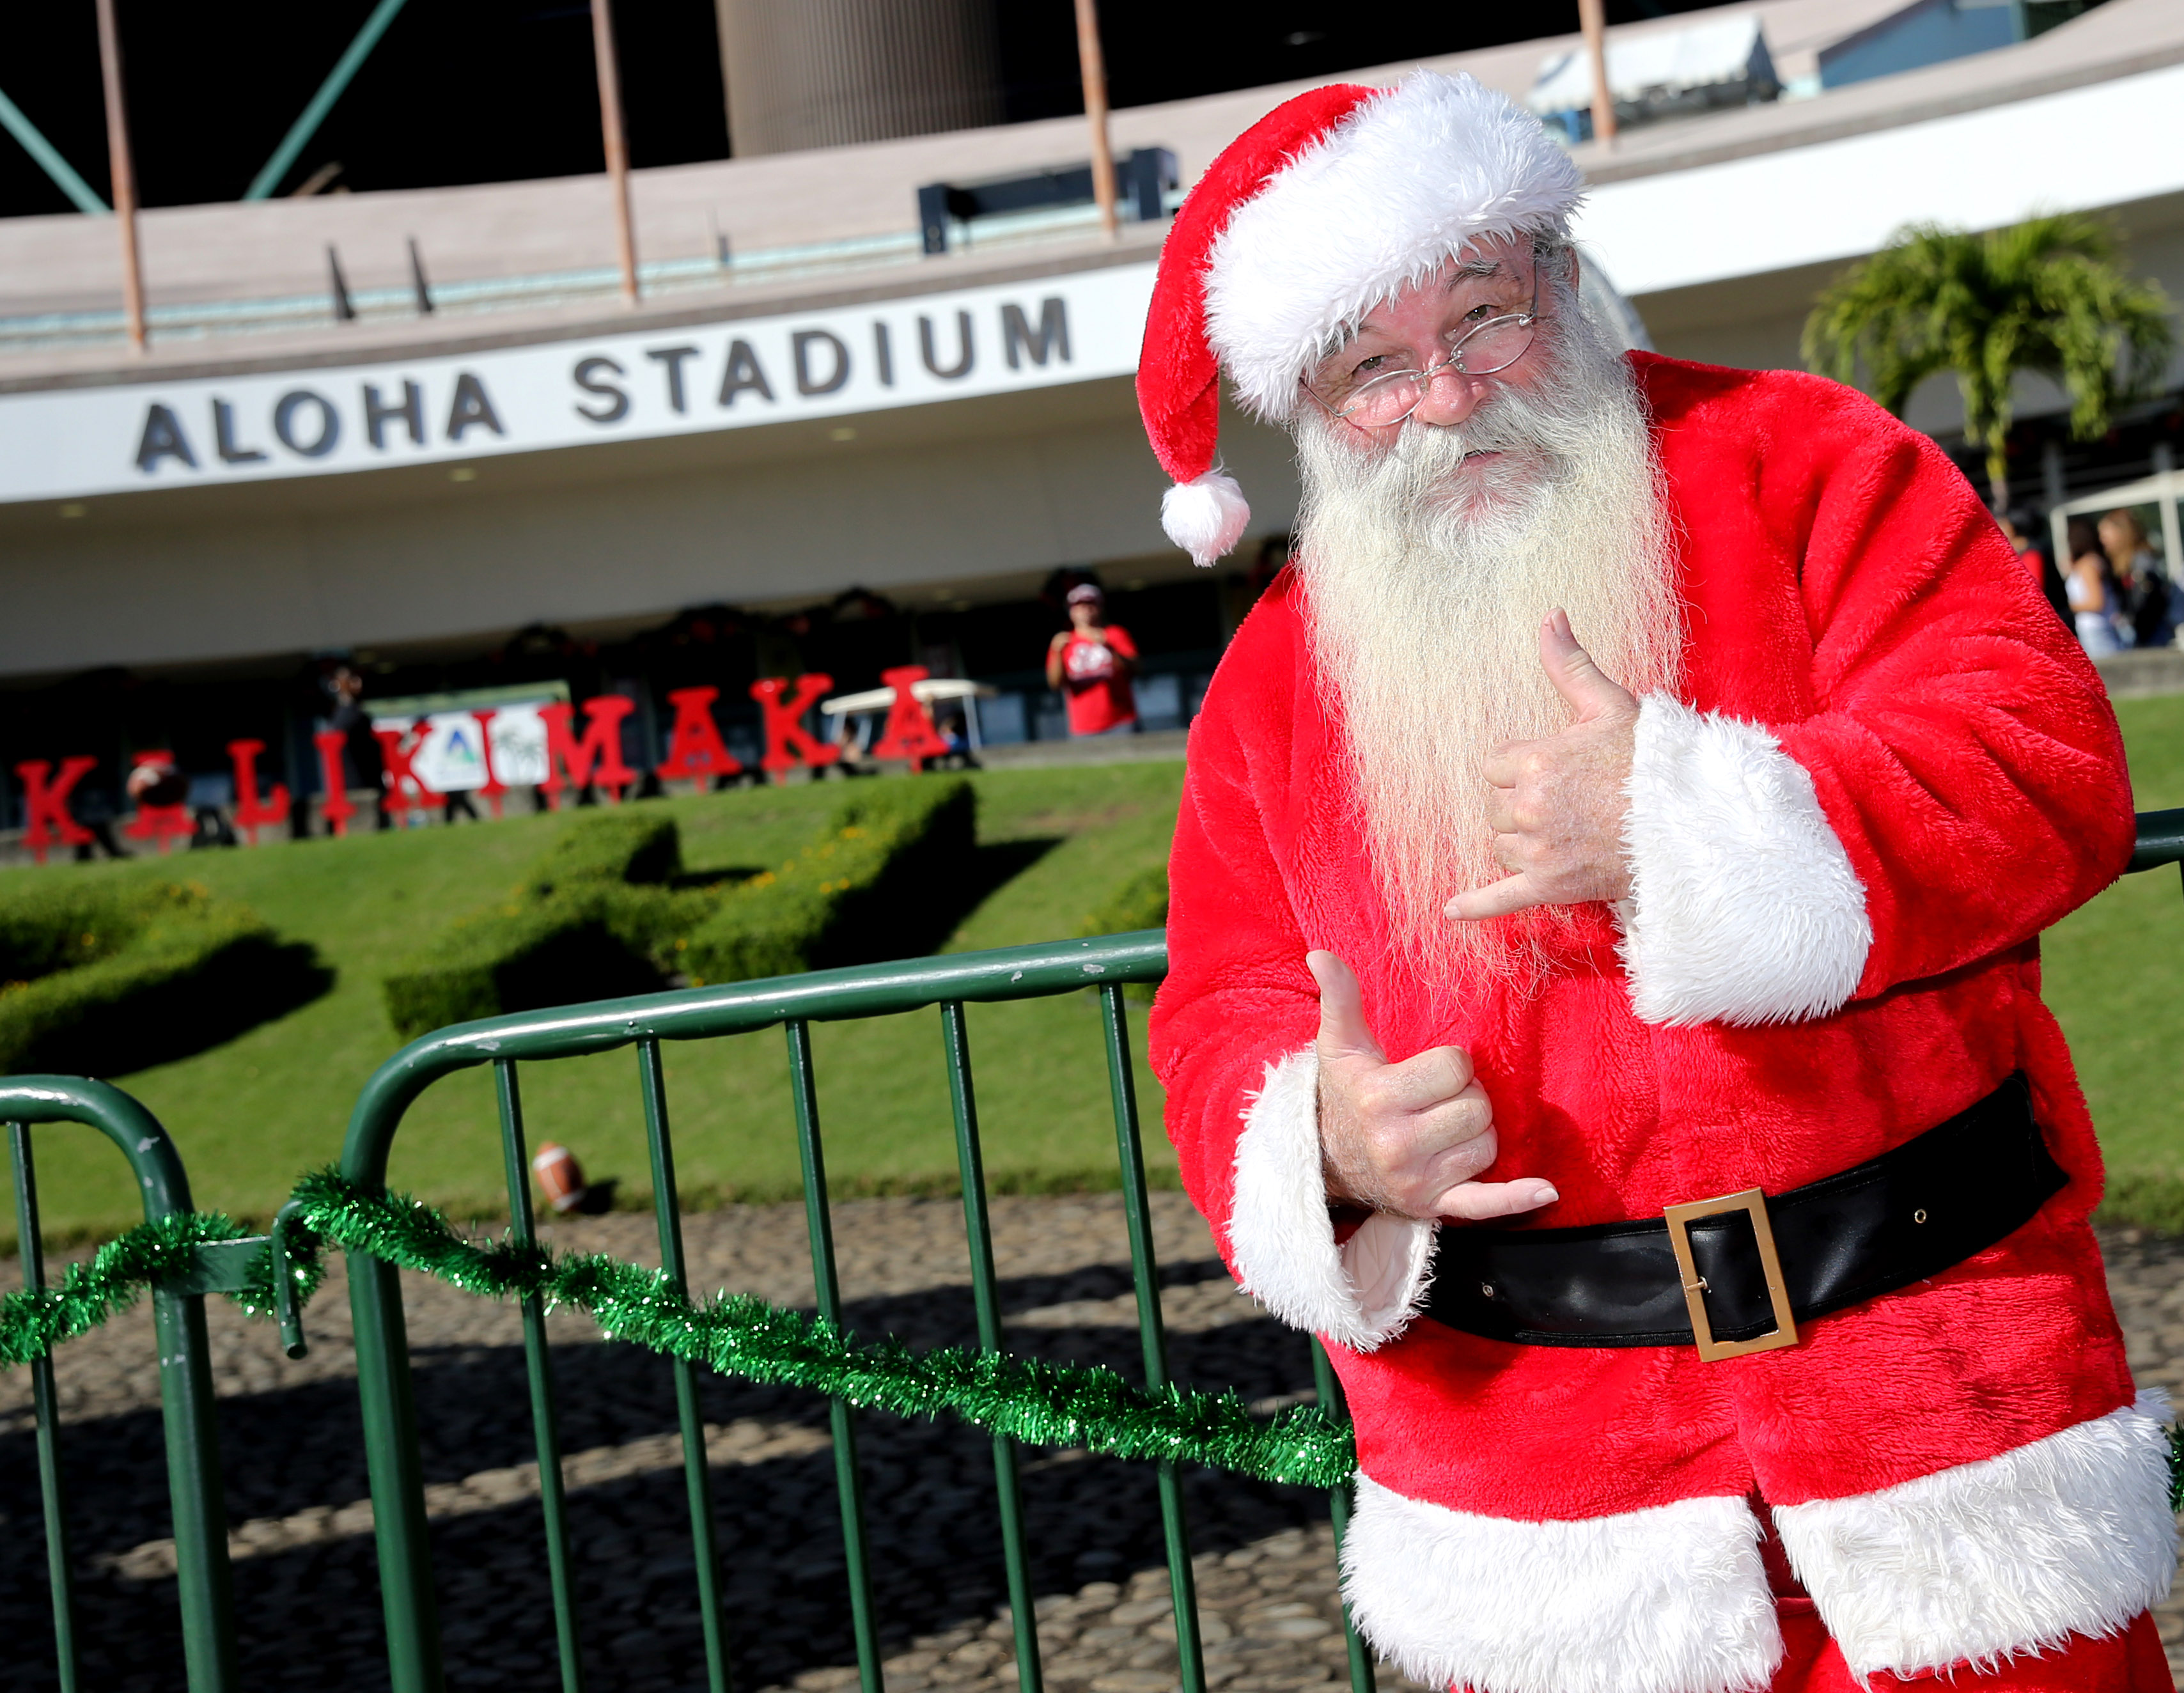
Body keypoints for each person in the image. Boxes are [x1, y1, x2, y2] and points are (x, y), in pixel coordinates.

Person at [1136, 72, 2168, 1693]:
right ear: (1309, 418)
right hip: (1540, 1506)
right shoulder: (1269, 687)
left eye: (1483, 314)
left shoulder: (1810, 461)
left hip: (1948, 1421)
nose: (1454, 395)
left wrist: (1695, 823)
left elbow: (2041, 761)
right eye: (1375, 371)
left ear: (1562, 274)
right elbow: (1220, 1013)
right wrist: (1319, 1143)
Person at [1045, 584, 1139, 736]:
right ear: (1071, 611)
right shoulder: (1063, 642)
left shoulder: (1114, 634)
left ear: (1100, 607)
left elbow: (1135, 669)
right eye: (1079, 605)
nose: (1086, 609)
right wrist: (1057, 653)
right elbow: (1055, 684)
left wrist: (1108, 647)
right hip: (1084, 727)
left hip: (1121, 721)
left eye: (1091, 604)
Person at [2101, 509, 2173, 650]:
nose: (2102, 539)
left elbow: (2146, 600)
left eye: (2105, 534)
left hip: (2151, 631)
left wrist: (2129, 618)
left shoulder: (2141, 560)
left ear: (2121, 533)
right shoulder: (2126, 563)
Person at [1999, 506, 2071, 628]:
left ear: (2013, 526)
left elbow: (2032, 592)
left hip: (2052, 625)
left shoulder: (2032, 553)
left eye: (2002, 523)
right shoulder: (2024, 551)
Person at [2066, 518, 2125, 657]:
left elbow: (2096, 602)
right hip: (2100, 629)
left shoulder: (2088, 565)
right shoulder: (2094, 561)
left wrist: (2067, 607)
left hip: (2095, 630)